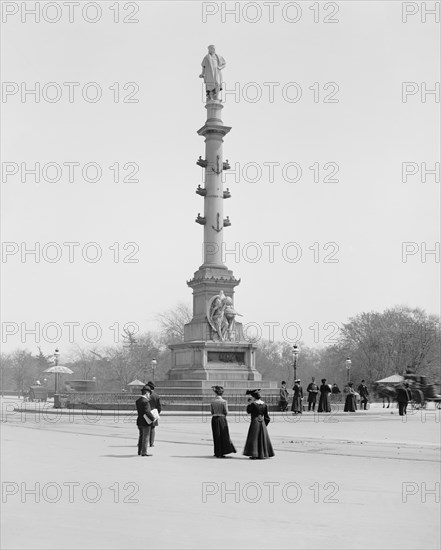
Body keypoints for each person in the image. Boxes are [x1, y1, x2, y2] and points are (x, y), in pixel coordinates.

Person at [243, 390, 274, 459]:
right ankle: (263, 454)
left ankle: (254, 454)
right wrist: (264, 425)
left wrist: (249, 403)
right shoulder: (264, 404)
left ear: (254, 397)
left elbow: (248, 411)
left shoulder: (253, 404)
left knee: (254, 438)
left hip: (255, 421)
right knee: (262, 438)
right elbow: (267, 417)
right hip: (262, 422)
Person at [210, 386, 236, 458]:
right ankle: (223, 451)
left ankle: (217, 452)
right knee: (223, 435)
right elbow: (226, 411)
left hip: (215, 418)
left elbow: (211, 412)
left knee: (216, 435)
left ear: (215, 393)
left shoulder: (213, 401)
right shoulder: (224, 402)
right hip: (222, 418)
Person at [135, 385, 155, 456]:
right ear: (147, 393)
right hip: (145, 422)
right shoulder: (145, 401)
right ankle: (144, 452)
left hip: (139, 421)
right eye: (149, 394)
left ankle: (139, 451)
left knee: (141, 436)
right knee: (146, 437)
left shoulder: (138, 401)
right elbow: (147, 412)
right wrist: (153, 418)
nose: (149, 395)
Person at [146, 381, 162, 447]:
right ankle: (151, 443)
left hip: (146, 412)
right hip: (154, 413)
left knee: (145, 429)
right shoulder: (156, 396)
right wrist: (157, 413)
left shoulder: (146, 395)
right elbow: (159, 406)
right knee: (152, 429)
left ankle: (143, 442)